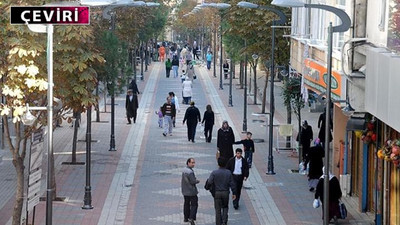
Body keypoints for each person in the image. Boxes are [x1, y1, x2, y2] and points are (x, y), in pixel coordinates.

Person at [207, 157, 237, 225]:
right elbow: (232, 183)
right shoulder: (228, 173)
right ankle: (224, 221)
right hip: (226, 192)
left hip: (217, 192)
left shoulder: (214, 172)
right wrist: (234, 193)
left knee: (218, 209)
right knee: (225, 207)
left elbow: (209, 182)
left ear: (218, 164)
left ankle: (218, 223)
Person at [181, 158, 199, 225]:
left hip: (185, 191)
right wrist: (197, 181)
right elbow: (192, 181)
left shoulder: (184, 171)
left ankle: (186, 218)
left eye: (194, 162)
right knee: (194, 204)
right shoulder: (190, 172)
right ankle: (191, 217)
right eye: (192, 162)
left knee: (186, 204)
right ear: (188, 163)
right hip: (191, 191)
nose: (193, 164)